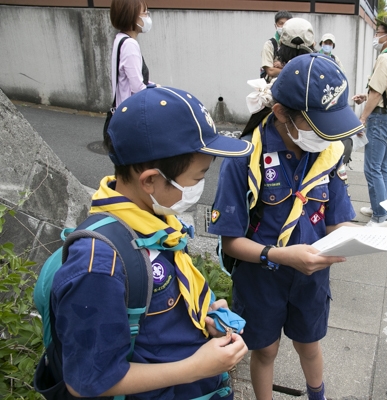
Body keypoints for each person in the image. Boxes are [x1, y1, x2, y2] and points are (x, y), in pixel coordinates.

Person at [51, 86, 252, 399]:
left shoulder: (156, 223)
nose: (201, 186)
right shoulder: (99, 265)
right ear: (150, 181)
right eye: (197, 178)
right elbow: (87, 381)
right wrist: (197, 367)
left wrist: (202, 315)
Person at [208, 53, 364, 400]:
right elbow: (230, 243)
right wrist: (279, 255)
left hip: (312, 277)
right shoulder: (246, 157)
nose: (329, 137)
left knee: (310, 345)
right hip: (261, 278)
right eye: (319, 126)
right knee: (265, 351)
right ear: (281, 113)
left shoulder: (328, 153)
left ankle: (317, 395)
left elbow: (338, 222)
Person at [352, 14, 387, 227]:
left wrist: (363, 117)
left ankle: (381, 218)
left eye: (378, 32)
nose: (376, 36)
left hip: (380, 121)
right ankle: (380, 208)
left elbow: (377, 93)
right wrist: (366, 97)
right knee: (382, 167)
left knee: (372, 168)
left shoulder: (385, 58)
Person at [110, 0, 154, 107]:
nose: (147, 16)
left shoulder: (120, 39)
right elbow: (137, 88)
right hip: (131, 111)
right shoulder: (129, 44)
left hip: (123, 108)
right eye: (144, 13)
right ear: (131, 16)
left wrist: (154, 86)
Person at [260, 10, 293, 82]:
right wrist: (290, 69)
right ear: (276, 26)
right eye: (281, 23)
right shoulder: (269, 44)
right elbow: (270, 71)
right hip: (272, 87)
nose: (283, 26)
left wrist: (282, 66)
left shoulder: (294, 45)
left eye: (286, 24)